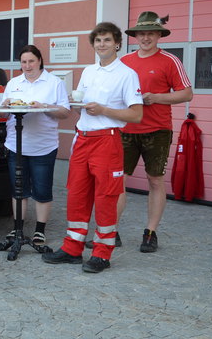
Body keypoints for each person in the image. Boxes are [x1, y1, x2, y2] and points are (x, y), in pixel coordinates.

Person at [42, 22, 143, 273]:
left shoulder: (127, 74)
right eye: (98, 41)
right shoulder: (88, 71)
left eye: (107, 40)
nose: (102, 45)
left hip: (107, 140)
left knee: (106, 197)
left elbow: (137, 114)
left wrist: (105, 110)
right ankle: (72, 248)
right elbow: (83, 101)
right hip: (83, 138)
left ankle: (102, 253)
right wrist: (77, 103)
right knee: (77, 193)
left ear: (117, 43)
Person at [119, 11, 193, 253]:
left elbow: (186, 93)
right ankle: (110, 230)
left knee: (155, 180)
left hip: (157, 130)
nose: (146, 37)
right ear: (136, 36)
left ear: (159, 35)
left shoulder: (170, 61)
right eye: (142, 33)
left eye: (151, 33)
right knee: (117, 180)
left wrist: (157, 98)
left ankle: (150, 232)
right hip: (126, 128)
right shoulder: (124, 61)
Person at [0, 45, 70, 247]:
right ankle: (17, 227)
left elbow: (65, 112)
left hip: (43, 146)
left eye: (31, 61)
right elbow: (3, 114)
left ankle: (40, 230)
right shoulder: (13, 83)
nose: (27, 66)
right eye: (24, 62)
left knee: (42, 190)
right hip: (16, 145)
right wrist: (4, 106)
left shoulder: (54, 82)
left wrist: (45, 107)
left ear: (39, 61)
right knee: (18, 190)